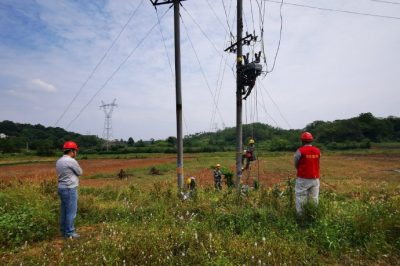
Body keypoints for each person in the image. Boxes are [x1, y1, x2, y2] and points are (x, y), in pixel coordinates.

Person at [56, 141, 82, 239]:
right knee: (71, 211)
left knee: (64, 211)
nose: (76, 153)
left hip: (61, 188)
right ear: (72, 151)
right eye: (75, 151)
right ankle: (70, 233)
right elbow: (80, 172)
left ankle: (63, 231)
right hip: (70, 188)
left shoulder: (59, 161)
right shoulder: (71, 161)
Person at [294, 132, 321, 215]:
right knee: (314, 198)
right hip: (315, 178)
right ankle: (313, 215)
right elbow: (317, 162)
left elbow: (296, 164)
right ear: (311, 140)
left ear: (302, 141)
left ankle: (301, 217)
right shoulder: (318, 151)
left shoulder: (300, 151)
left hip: (303, 178)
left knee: (301, 197)